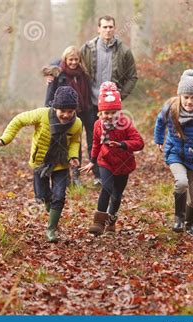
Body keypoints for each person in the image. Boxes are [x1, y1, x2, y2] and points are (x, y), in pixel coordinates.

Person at [46, 15, 138, 186]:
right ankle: (76, 174)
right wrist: (52, 71)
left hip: (110, 107)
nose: (108, 30)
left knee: (105, 138)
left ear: (115, 28)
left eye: (111, 27)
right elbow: (68, 58)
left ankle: (101, 175)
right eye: (104, 27)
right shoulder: (88, 48)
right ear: (99, 29)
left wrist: (119, 96)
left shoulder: (124, 51)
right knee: (83, 137)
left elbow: (133, 76)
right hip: (88, 102)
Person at [0, 86, 82, 243]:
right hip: (41, 162)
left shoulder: (76, 123)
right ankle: (51, 209)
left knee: (59, 196)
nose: (66, 115)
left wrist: (73, 157)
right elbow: (19, 120)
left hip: (61, 164)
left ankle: (51, 229)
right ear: (55, 107)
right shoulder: (42, 115)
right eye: (62, 111)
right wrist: (6, 138)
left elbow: (75, 142)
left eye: (70, 111)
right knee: (42, 196)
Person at [154, 69, 193, 237]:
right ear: (180, 95)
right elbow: (160, 121)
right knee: (181, 182)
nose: (189, 101)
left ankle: (190, 225)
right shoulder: (170, 109)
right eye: (186, 97)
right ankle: (179, 219)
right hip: (174, 153)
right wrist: (159, 139)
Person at [81, 82, 144, 235]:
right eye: (106, 113)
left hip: (123, 164)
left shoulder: (126, 124)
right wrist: (92, 161)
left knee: (116, 196)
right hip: (106, 161)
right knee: (107, 187)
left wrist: (123, 144)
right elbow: (96, 143)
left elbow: (139, 143)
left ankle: (111, 222)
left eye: (113, 112)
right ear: (100, 113)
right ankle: (98, 223)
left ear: (119, 112)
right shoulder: (98, 125)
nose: (109, 116)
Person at [43, 46, 92, 187]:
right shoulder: (57, 73)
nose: (73, 62)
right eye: (71, 59)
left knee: (76, 144)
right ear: (65, 59)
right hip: (60, 116)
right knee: (61, 145)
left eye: (76, 59)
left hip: (79, 114)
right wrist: (49, 112)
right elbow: (49, 96)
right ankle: (62, 177)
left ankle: (76, 175)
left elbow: (86, 94)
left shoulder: (82, 74)